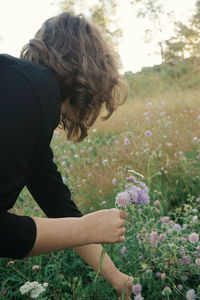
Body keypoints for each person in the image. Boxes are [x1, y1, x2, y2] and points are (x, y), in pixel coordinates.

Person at [0, 12, 133, 299]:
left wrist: (116, 276)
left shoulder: (27, 96)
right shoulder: (31, 91)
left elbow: (60, 207)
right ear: (91, 68)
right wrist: (84, 228)